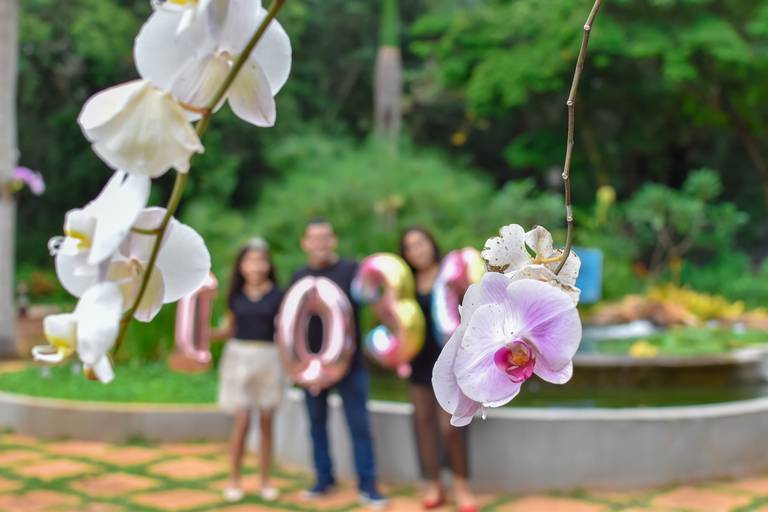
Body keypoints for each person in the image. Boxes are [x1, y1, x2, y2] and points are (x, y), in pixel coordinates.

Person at [290, 219, 387, 507]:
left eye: (325, 238)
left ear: (334, 241)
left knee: (359, 425)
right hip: (311, 367)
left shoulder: (351, 271)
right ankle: (323, 479)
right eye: (314, 238)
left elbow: (372, 301)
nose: (320, 243)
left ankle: (368, 486)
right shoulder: (299, 276)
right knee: (316, 424)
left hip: (351, 364)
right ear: (304, 243)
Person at [400, 226, 478, 512]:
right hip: (419, 363)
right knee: (423, 423)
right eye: (410, 246)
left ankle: (461, 484)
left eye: (421, 243)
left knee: (451, 428)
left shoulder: (451, 273)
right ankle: (433, 483)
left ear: (431, 244)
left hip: (451, 364)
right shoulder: (405, 281)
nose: (417, 250)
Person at [214, 238, 286, 503]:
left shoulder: (279, 296)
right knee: (242, 421)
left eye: (261, 260)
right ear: (241, 265)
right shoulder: (236, 295)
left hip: (269, 358)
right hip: (239, 358)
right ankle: (234, 479)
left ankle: (265, 480)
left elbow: (284, 331)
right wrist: (206, 334)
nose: (256, 266)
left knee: (267, 422)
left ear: (268, 265)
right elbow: (229, 329)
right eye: (250, 261)